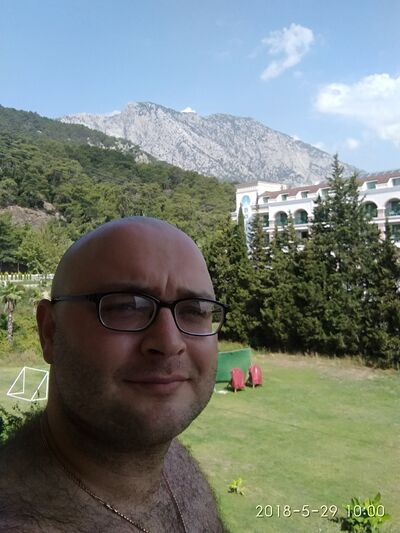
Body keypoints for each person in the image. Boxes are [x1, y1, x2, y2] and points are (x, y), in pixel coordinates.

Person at [0, 217, 227, 532]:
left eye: (195, 310)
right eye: (127, 307)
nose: (170, 343)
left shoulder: (177, 468)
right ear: (50, 331)